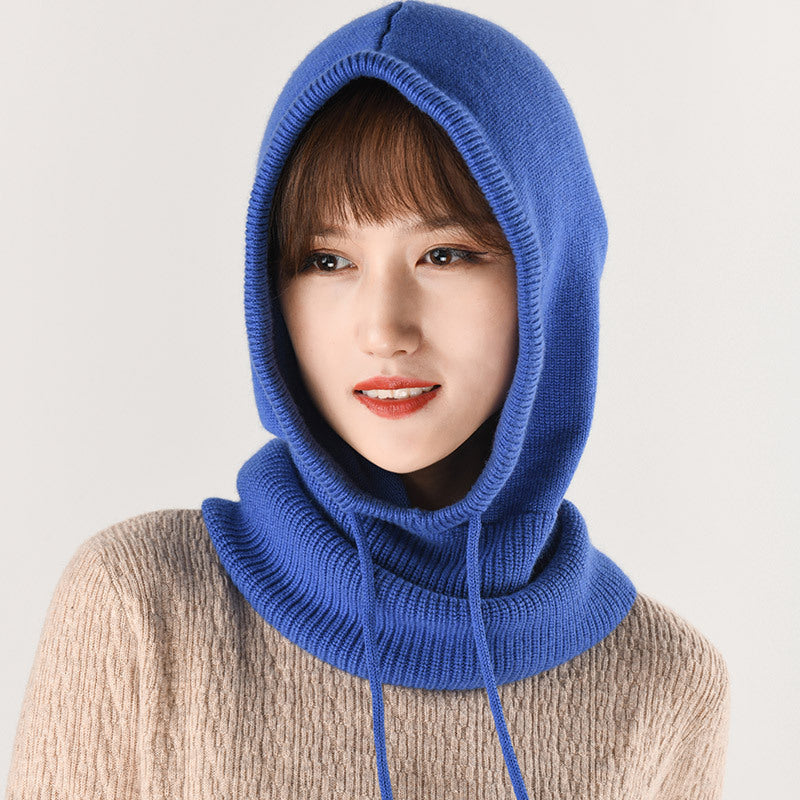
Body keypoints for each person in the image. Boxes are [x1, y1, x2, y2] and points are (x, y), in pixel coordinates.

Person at [5, 2, 731, 798]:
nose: (384, 330)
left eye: (445, 254)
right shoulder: (143, 607)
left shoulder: (664, 681)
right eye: (327, 261)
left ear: (551, 277)